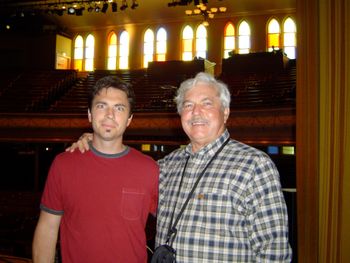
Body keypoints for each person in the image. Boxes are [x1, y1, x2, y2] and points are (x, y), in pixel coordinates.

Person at [68, 72, 292, 262]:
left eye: (206, 103)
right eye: (188, 105)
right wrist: (93, 140)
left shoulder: (254, 165)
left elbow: (274, 251)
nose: (196, 112)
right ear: (180, 115)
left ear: (225, 112)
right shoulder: (165, 167)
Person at [32, 76, 159, 262]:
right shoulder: (63, 164)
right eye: (101, 106)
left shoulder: (149, 169)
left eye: (119, 108)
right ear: (90, 114)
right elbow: (47, 229)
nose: (109, 114)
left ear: (129, 119)